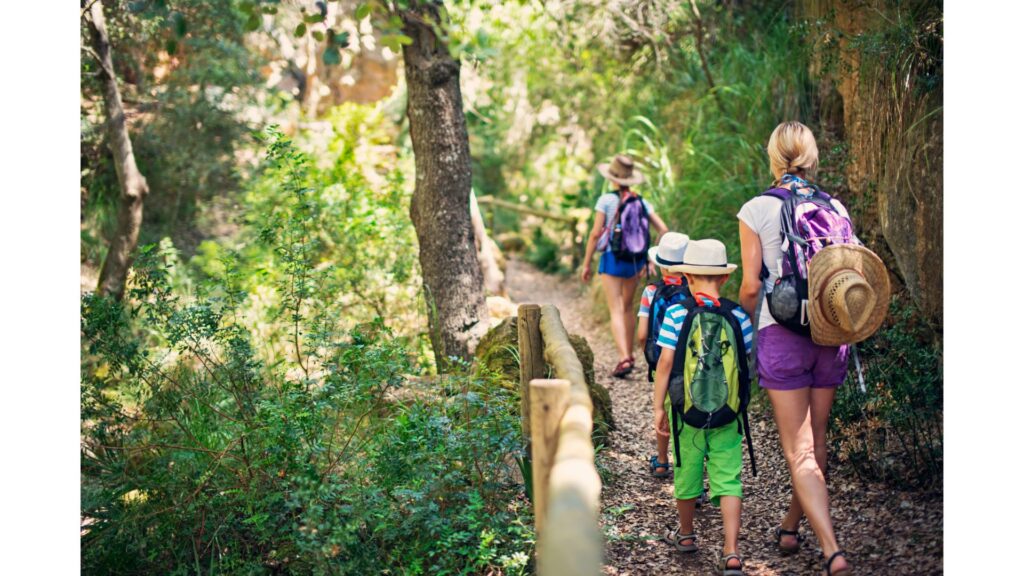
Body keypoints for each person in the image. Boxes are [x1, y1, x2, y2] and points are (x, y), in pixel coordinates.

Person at [736, 121, 851, 576]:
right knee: (815, 440)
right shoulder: (835, 206)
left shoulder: (756, 208)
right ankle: (790, 524)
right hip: (831, 331)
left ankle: (832, 550)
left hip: (782, 332)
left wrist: (750, 320)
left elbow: (749, 286)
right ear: (811, 155)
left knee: (798, 450)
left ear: (773, 156)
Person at [653, 239, 753, 576]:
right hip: (729, 412)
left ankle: (685, 535)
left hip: (686, 412)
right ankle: (731, 551)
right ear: (724, 279)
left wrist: (658, 409)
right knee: (728, 477)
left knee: (687, 469)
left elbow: (665, 365)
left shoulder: (677, 313)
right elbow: (745, 363)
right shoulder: (738, 315)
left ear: (688, 277)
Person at [581, 154, 669, 378]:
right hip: (635, 260)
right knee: (628, 307)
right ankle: (630, 353)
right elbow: (664, 230)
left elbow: (595, 233)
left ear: (612, 178)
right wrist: (650, 259)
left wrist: (586, 263)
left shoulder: (607, 201)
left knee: (615, 308)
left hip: (612, 259)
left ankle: (624, 358)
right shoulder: (641, 202)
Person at [637, 232, 690, 478]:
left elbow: (641, 333)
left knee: (664, 411)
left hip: (662, 363)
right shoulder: (695, 291)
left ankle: (661, 460)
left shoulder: (650, 291)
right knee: (690, 415)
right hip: (691, 364)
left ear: (660, 266)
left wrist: (647, 352)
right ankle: (692, 470)